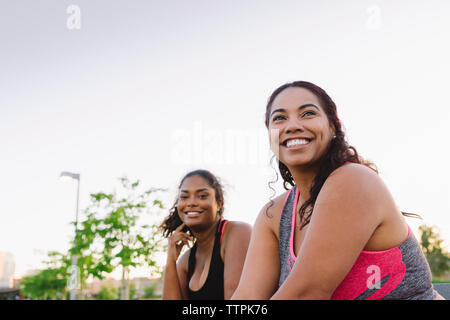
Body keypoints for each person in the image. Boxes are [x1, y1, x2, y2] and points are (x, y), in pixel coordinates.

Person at [231, 81, 444, 300]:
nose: (292, 125)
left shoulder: (353, 181)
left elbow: (305, 294)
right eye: (279, 118)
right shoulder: (273, 214)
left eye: (307, 113)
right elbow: (248, 297)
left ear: (333, 127)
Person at [161, 169, 252, 300]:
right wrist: (170, 260)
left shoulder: (237, 233)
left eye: (202, 196)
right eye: (184, 197)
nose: (191, 202)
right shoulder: (185, 261)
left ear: (219, 203)